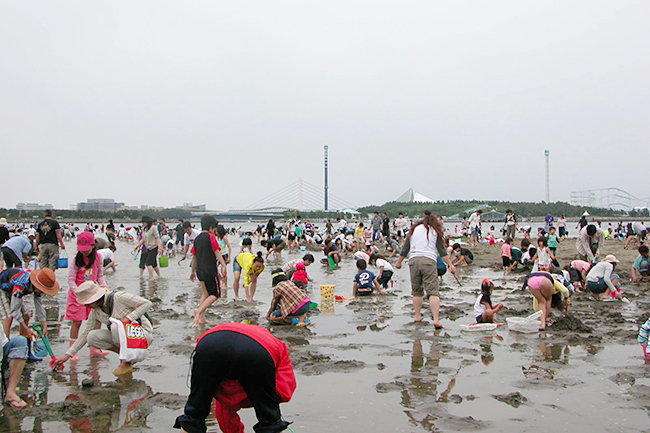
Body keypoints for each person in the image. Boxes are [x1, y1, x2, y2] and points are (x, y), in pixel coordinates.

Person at [174, 322, 295, 433]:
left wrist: (236, 393)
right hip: (257, 349)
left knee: (194, 414)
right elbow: (284, 392)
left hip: (210, 343)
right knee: (269, 421)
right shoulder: (280, 347)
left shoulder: (276, 346)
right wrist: (253, 395)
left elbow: (224, 409)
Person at [54, 281, 154, 376]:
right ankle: (128, 356)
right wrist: (67, 355)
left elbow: (146, 303)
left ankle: (126, 362)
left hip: (142, 335)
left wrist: (128, 318)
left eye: (87, 303)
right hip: (126, 338)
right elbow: (85, 334)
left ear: (95, 298)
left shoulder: (118, 297)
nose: (86, 306)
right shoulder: (96, 311)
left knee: (116, 326)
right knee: (92, 337)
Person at [396, 210, 456, 327]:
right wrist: (450, 265)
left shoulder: (413, 231)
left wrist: (399, 262)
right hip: (428, 261)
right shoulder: (435, 232)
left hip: (413, 260)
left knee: (417, 291)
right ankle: (436, 319)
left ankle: (418, 316)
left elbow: (405, 249)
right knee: (433, 292)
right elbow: (442, 251)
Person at [67, 231, 110, 359]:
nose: (84, 252)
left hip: (93, 294)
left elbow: (100, 276)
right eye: (81, 249)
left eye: (86, 249)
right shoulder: (76, 259)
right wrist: (78, 292)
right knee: (77, 322)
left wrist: (104, 288)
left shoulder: (99, 257)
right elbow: (71, 279)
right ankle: (73, 350)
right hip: (77, 295)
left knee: (97, 321)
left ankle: (95, 348)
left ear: (94, 245)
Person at [0, 267, 59, 339]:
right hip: (2, 288)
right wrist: (26, 329)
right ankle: (5, 344)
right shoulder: (21, 284)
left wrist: (44, 324)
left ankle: (23, 340)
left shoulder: (39, 286)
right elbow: (14, 311)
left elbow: (39, 305)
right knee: (8, 317)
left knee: (26, 316)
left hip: (13, 290)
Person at [190, 216, 227, 325]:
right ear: (211, 227)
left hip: (199, 270)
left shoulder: (197, 239)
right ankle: (199, 310)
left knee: (205, 293)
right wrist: (223, 265)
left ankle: (201, 318)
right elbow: (216, 252)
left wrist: (192, 272)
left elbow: (194, 257)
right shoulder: (211, 237)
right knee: (215, 294)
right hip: (210, 270)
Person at [133, 216, 163, 281]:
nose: (143, 223)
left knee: (148, 263)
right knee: (154, 263)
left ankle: (151, 277)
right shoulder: (144, 229)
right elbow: (143, 239)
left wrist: (160, 248)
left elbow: (157, 238)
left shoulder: (153, 228)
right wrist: (137, 246)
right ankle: (159, 276)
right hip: (148, 248)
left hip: (154, 247)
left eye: (144, 222)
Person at [216, 225, 232, 291]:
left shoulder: (224, 238)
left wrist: (229, 257)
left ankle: (226, 284)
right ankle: (221, 280)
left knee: (224, 271)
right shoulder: (216, 237)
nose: (216, 232)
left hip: (224, 255)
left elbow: (229, 247)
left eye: (217, 231)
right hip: (217, 255)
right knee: (215, 268)